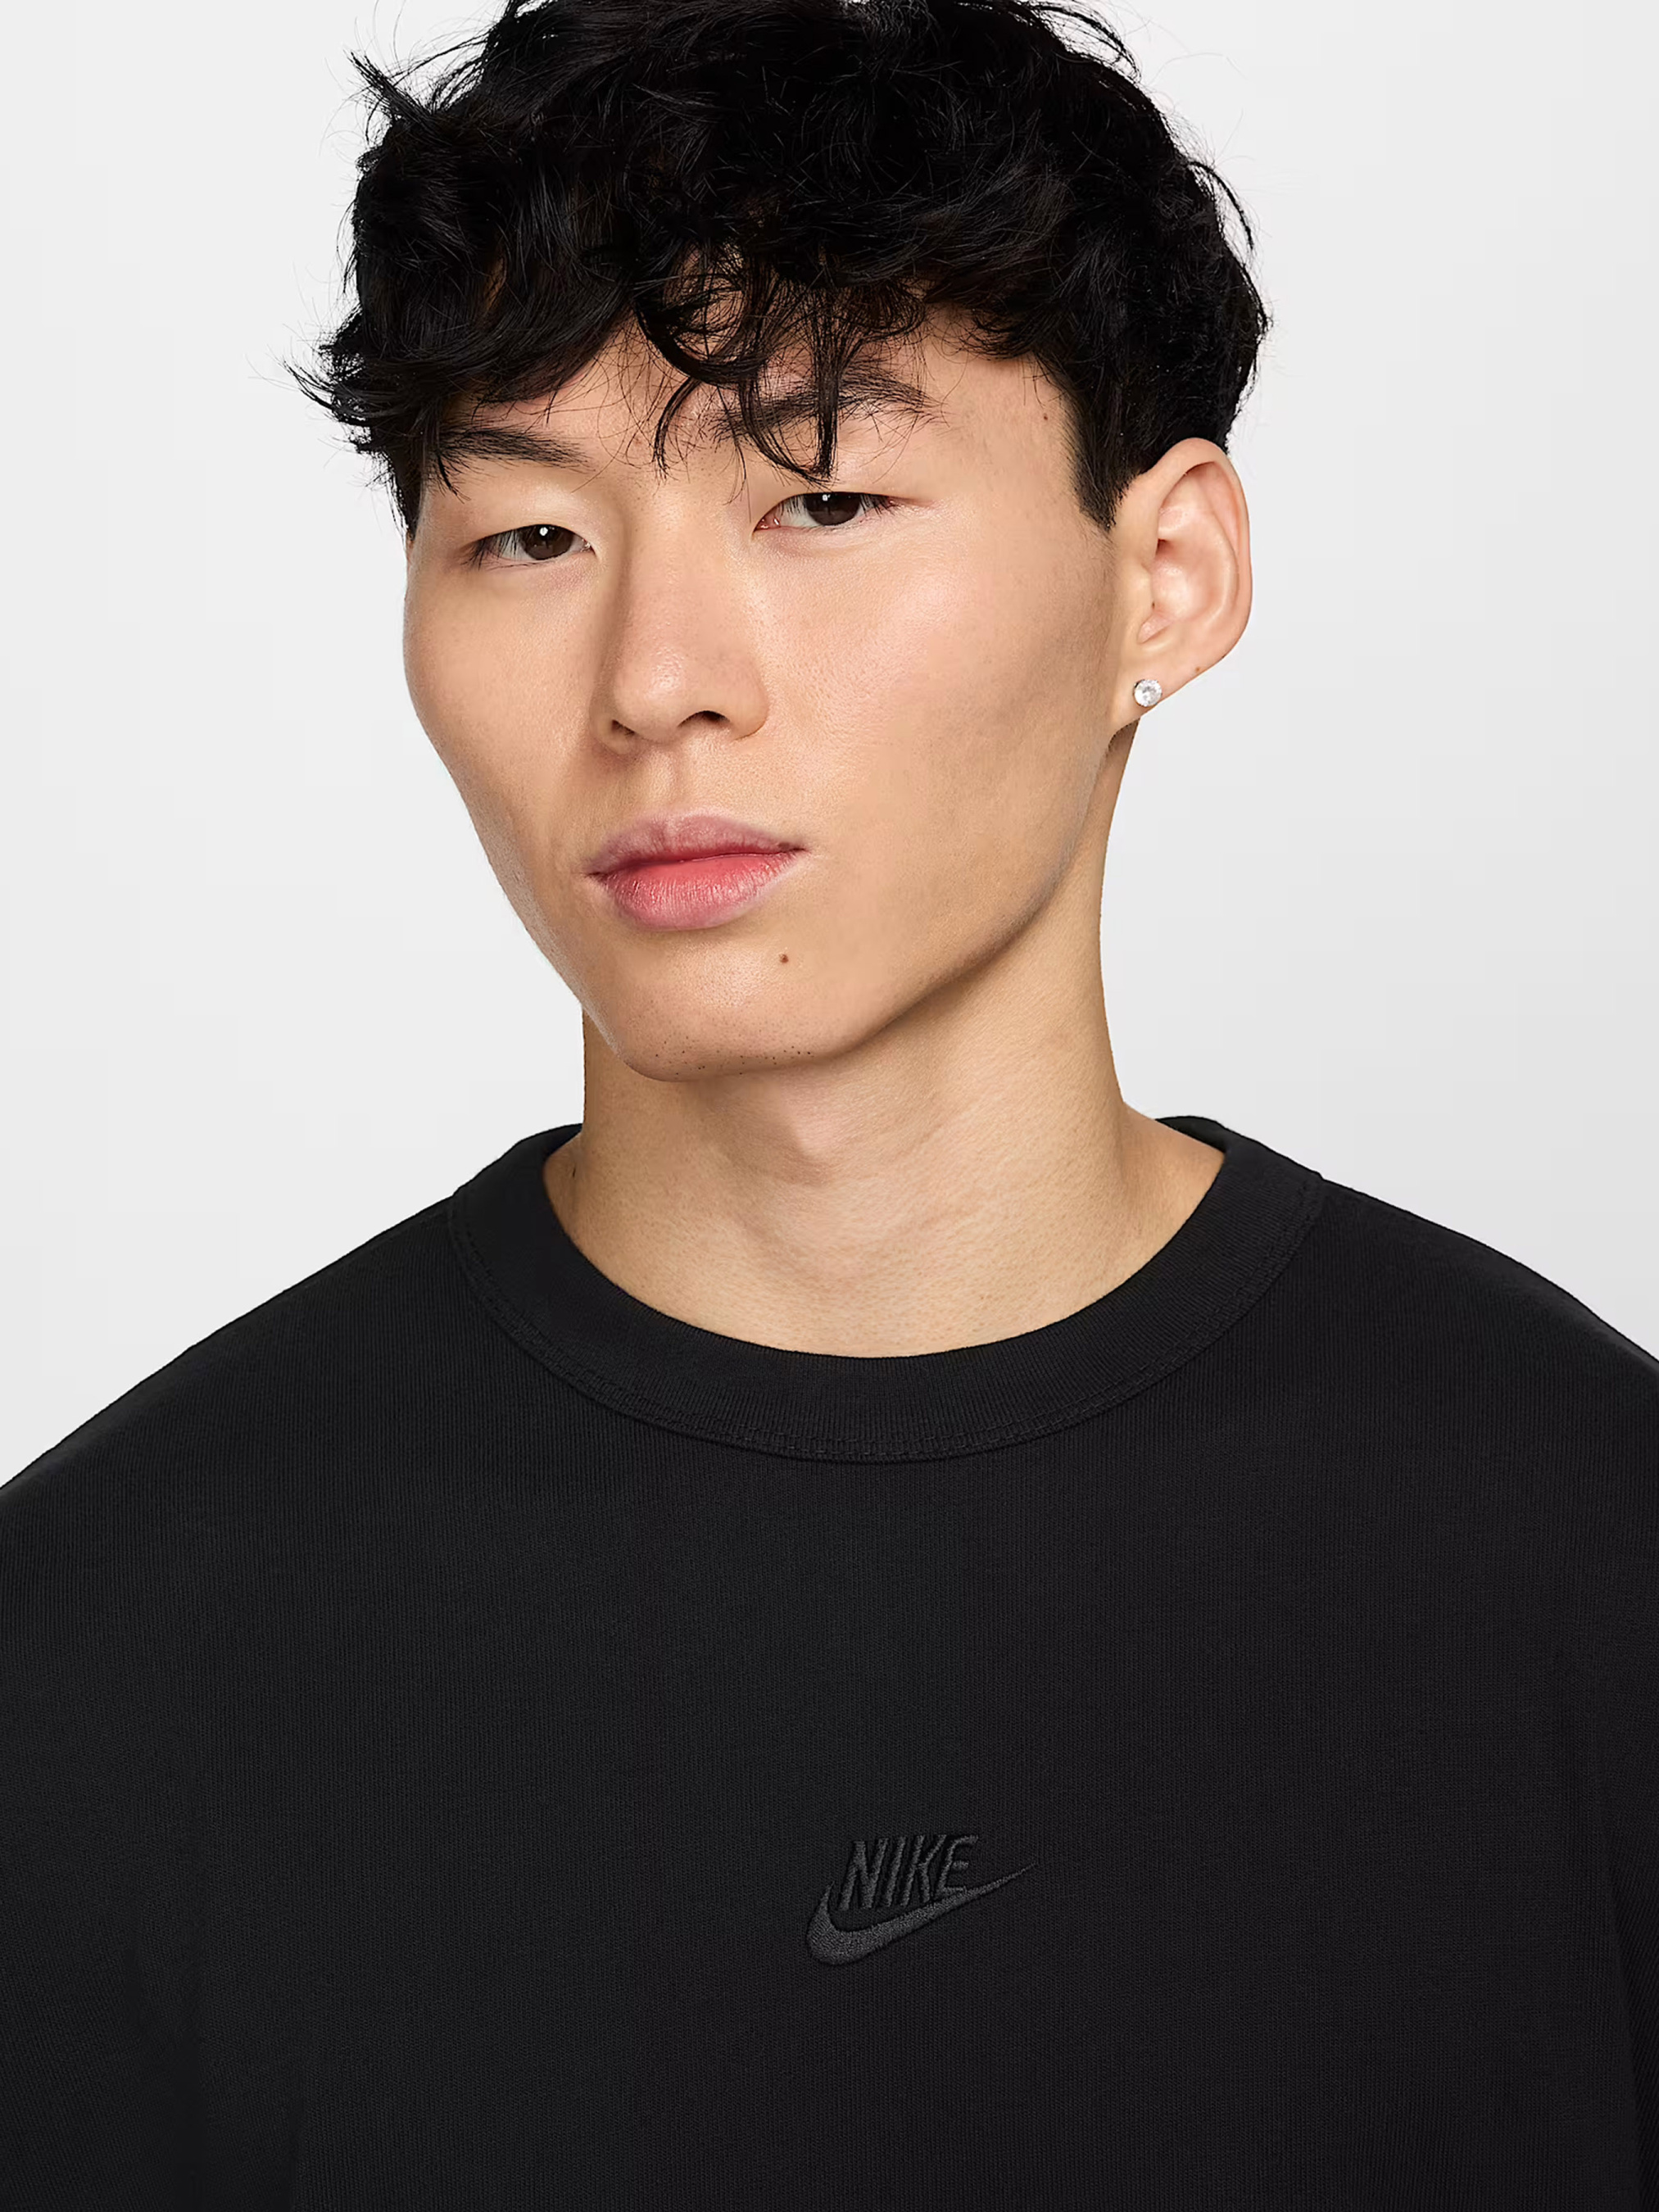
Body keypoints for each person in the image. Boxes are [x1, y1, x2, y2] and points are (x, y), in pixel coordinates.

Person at [2, 0, 1655, 2200]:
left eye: (825, 498)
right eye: (529, 538)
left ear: (1166, 575)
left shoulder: (1586, 1560)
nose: (658, 681)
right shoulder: (97, 1654)